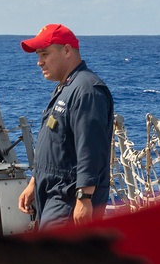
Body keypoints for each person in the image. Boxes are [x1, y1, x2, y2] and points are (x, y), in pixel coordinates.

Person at [16, 24, 114, 229]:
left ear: (67, 51)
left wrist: (84, 197)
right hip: (53, 192)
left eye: (44, 54)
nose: (39, 62)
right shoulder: (67, 87)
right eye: (38, 55)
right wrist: (35, 182)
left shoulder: (87, 90)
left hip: (68, 196)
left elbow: (90, 148)